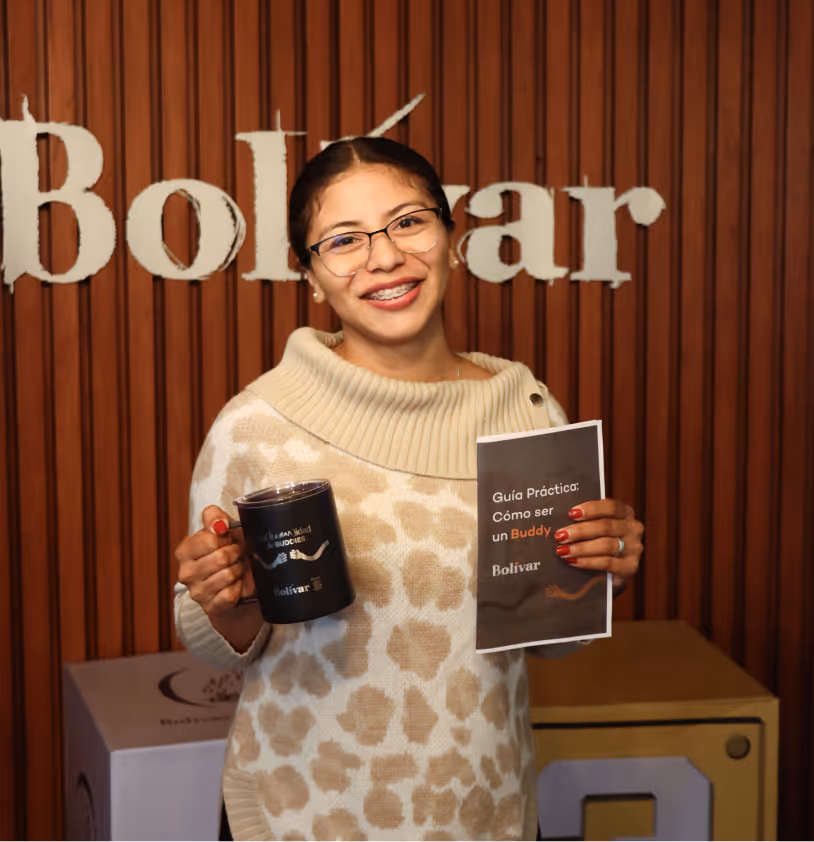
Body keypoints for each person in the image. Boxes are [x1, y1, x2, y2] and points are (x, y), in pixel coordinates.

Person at [174, 137, 644, 841]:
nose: (385, 257)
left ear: (452, 239)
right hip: (296, 817)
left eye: (408, 222)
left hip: (484, 813)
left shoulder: (526, 413)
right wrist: (224, 601)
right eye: (343, 240)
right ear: (310, 274)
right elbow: (218, 642)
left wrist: (602, 573)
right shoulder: (258, 425)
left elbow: (549, 639)